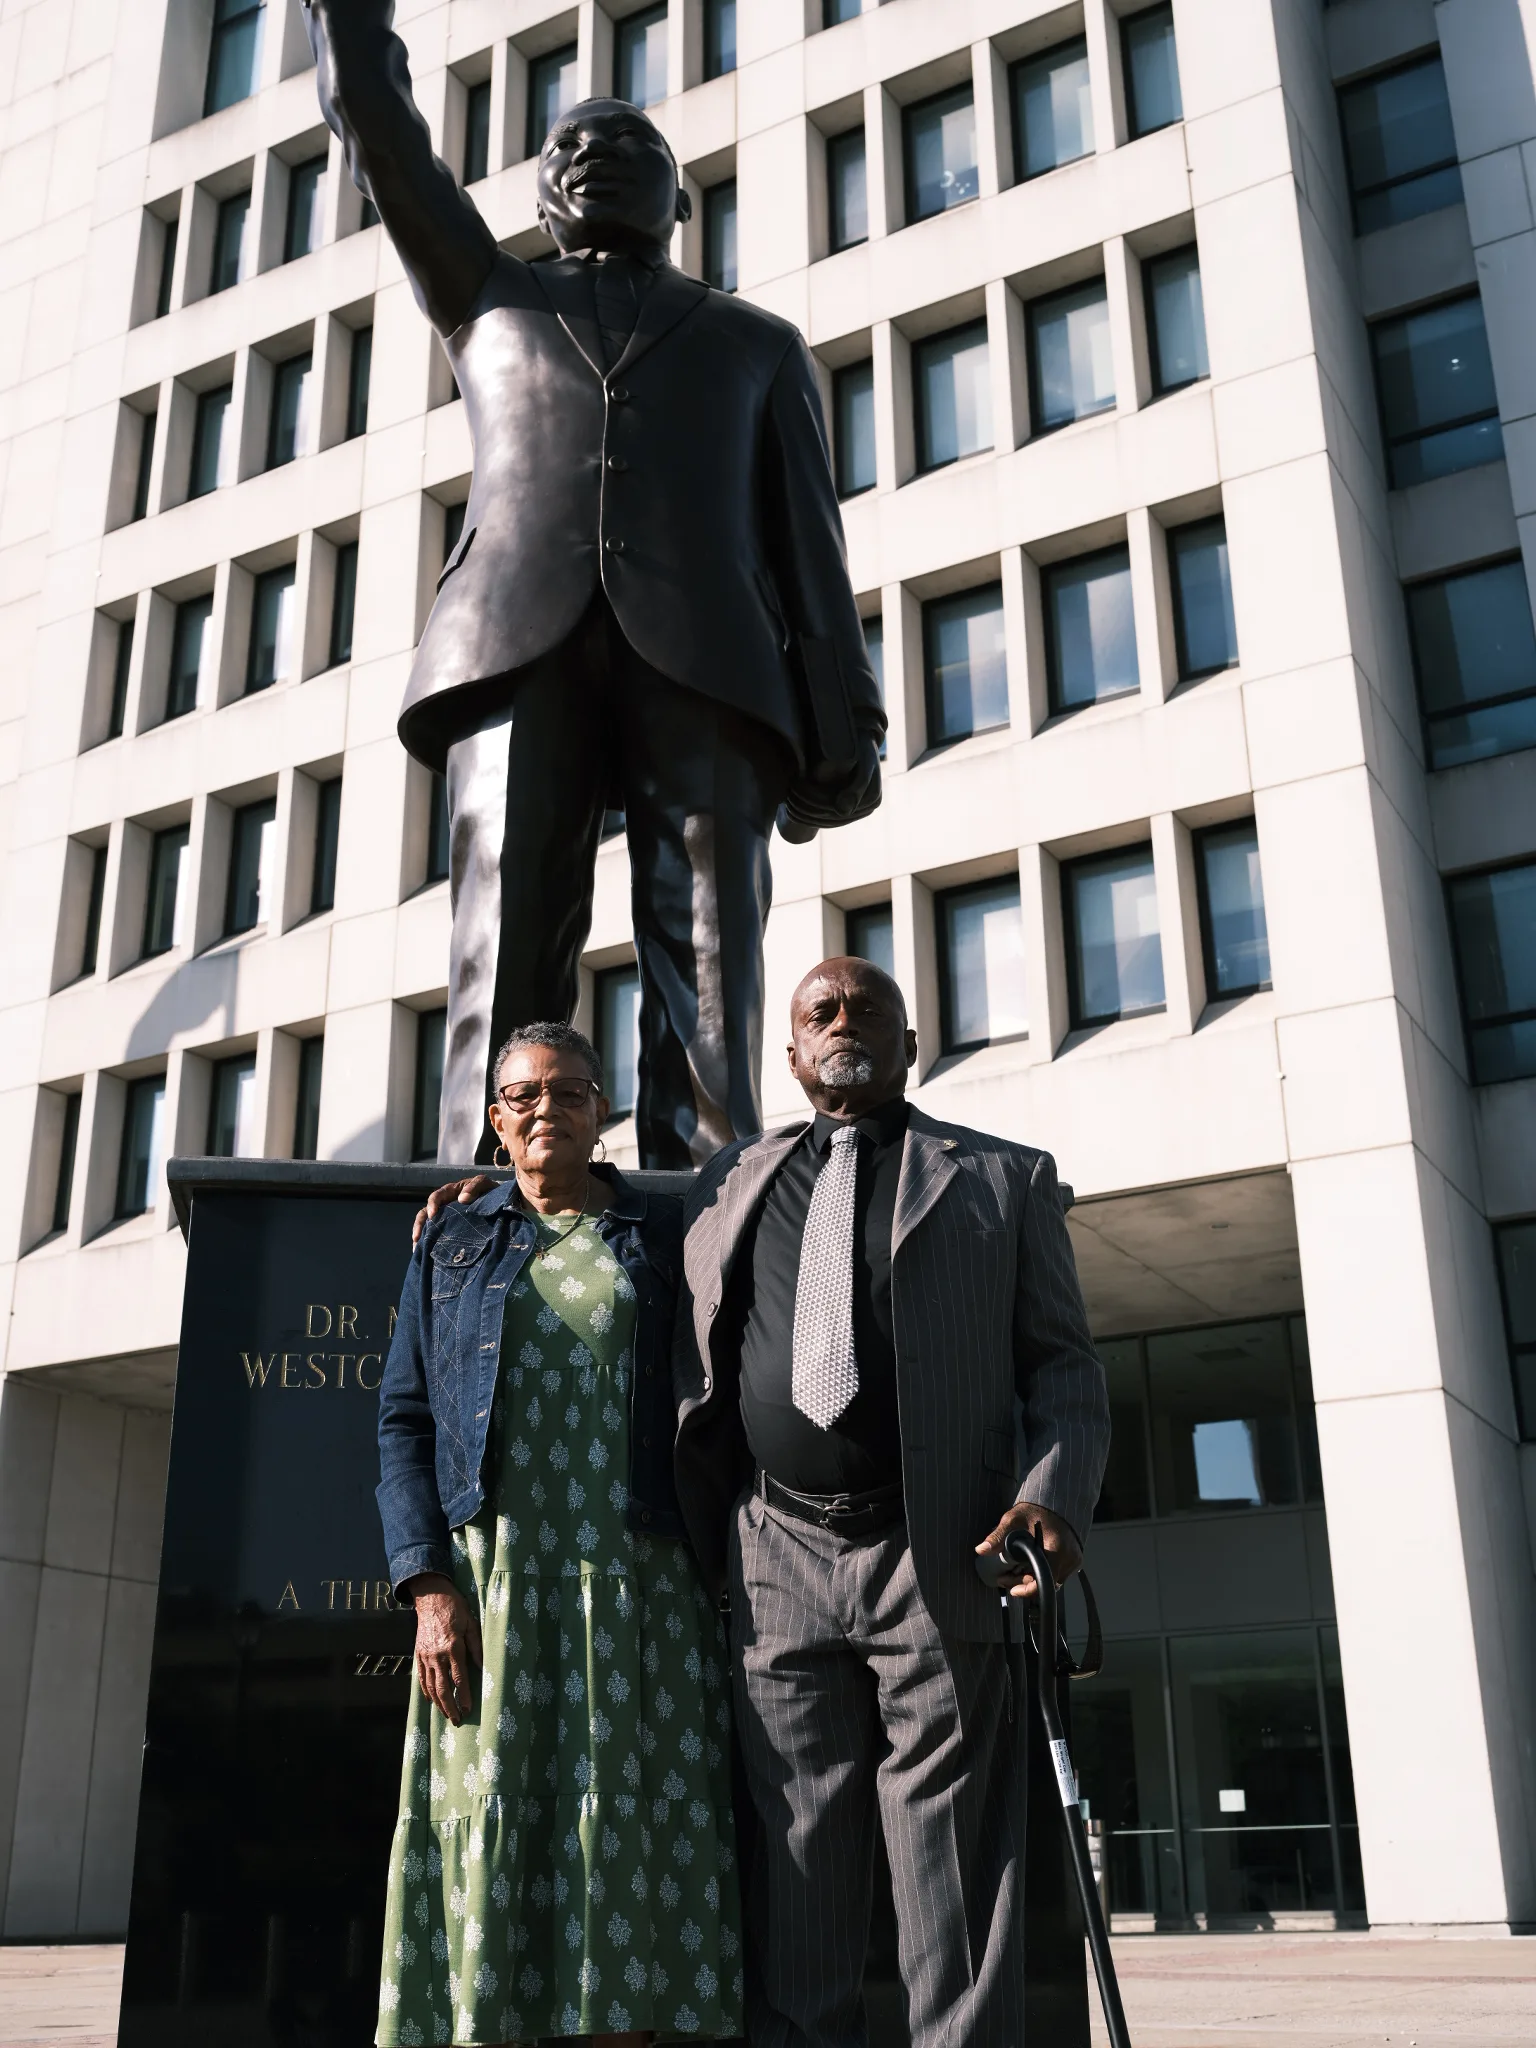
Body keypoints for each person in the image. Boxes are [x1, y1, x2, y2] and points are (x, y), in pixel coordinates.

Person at [305, 0, 884, 1170]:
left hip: (715, 661)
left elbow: (808, 544)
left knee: (713, 960)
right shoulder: (484, 293)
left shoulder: (758, 343)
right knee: (503, 944)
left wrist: (845, 722)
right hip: (512, 645)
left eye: (631, 143)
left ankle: (713, 1203)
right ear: (538, 197)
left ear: (682, 201)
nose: (596, 151)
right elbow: (375, 120)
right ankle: (486, 1198)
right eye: (569, 142)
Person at [671, 956, 1109, 2048]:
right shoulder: (730, 1181)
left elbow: (1063, 1365)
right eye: (820, 1011)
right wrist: (486, 1191)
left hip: (941, 1549)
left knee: (952, 1863)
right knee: (795, 1856)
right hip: (773, 1550)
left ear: (910, 1043)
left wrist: (1054, 1499)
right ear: (791, 1052)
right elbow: (600, 1220)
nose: (843, 1022)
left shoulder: (1003, 1179)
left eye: (868, 1008)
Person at [378, 1021, 743, 2048]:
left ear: (600, 1109)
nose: (547, 1109)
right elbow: (404, 1420)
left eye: (569, 1091)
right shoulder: (451, 1241)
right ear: (496, 1119)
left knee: (627, 1839)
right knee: (499, 1823)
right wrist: (428, 1587)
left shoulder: (665, 1232)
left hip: (640, 1585)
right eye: (523, 1096)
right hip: (494, 1593)